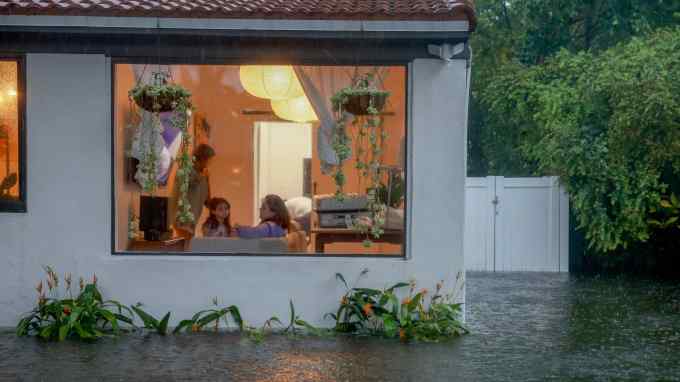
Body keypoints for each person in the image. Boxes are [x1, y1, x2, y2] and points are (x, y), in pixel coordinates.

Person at [169, 143, 215, 240]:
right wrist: (203, 176)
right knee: (185, 246)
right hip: (182, 218)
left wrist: (207, 179)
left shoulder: (202, 175)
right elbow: (189, 183)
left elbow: (207, 202)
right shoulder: (186, 169)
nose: (209, 163)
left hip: (192, 219)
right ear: (202, 158)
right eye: (209, 160)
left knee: (187, 245)